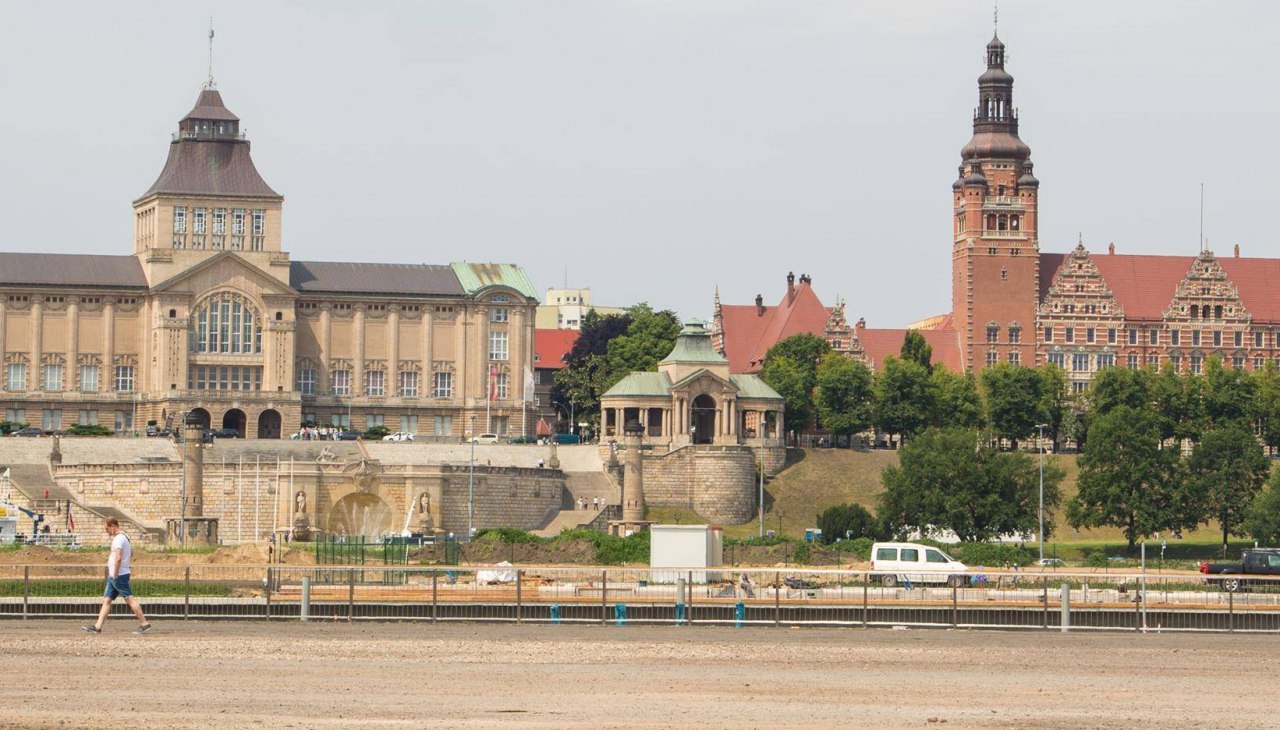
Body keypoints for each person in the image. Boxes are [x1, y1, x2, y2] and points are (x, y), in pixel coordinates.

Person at [83, 517, 151, 634]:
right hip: (115, 575)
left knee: (129, 599)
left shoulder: (118, 539)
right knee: (106, 600)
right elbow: (131, 553)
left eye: (107, 528)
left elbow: (118, 557)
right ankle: (97, 626)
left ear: (113, 526)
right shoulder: (125, 537)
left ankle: (144, 623)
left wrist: (115, 573)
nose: (107, 531)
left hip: (118, 575)